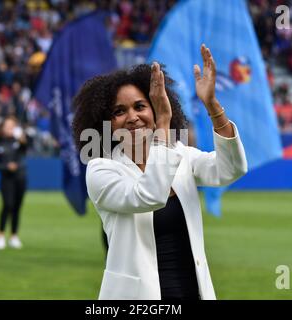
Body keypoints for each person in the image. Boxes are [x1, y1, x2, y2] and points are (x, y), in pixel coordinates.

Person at [72, 44, 248, 300]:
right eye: (119, 111)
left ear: (153, 109)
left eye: (140, 106)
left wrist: (212, 105)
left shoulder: (179, 153)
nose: (132, 117)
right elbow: (149, 196)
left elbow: (231, 168)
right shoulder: (101, 169)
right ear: (106, 124)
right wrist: (163, 125)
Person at [0, 116, 28, 249]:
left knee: (17, 207)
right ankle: (0, 235)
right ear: (2, 128)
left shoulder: (18, 142)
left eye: (12, 126)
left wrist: (22, 139)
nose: (9, 129)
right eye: (7, 126)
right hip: (6, 179)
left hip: (20, 178)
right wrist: (7, 166)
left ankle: (14, 236)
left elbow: (26, 149)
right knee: (8, 205)